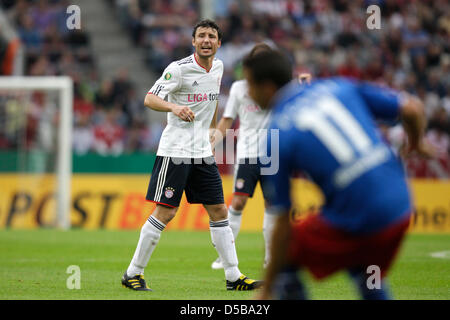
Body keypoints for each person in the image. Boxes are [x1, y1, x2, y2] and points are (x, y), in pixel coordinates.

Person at [241, 50, 434, 299]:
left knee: (287, 254)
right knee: (363, 269)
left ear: (267, 87)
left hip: (361, 214)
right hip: (401, 203)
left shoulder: (276, 135)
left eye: (249, 85)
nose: (248, 93)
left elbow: (281, 222)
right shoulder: (338, 86)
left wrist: (266, 288)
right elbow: (411, 108)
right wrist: (416, 143)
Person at [121, 19, 262, 292]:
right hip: (175, 151)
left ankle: (233, 277)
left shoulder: (218, 68)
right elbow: (150, 98)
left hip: (202, 153)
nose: (206, 40)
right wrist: (174, 108)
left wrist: (212, 130)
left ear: (219, 43)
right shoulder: (179, 69)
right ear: (194, 41)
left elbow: (212, 101)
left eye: (211, 36)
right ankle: (132, 273)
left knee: (219, 210)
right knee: (166, 211)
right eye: (201, 36)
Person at [210, 43, 311, 270]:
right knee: (238, 201)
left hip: (273, 152)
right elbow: (227, 119)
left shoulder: (279, 87)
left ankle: (270, 259)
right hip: (246, 153)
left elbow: (303, 83)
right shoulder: (238, 88)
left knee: (272, 205)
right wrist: (213, 142)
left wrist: (305, 81)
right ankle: (225, 256)